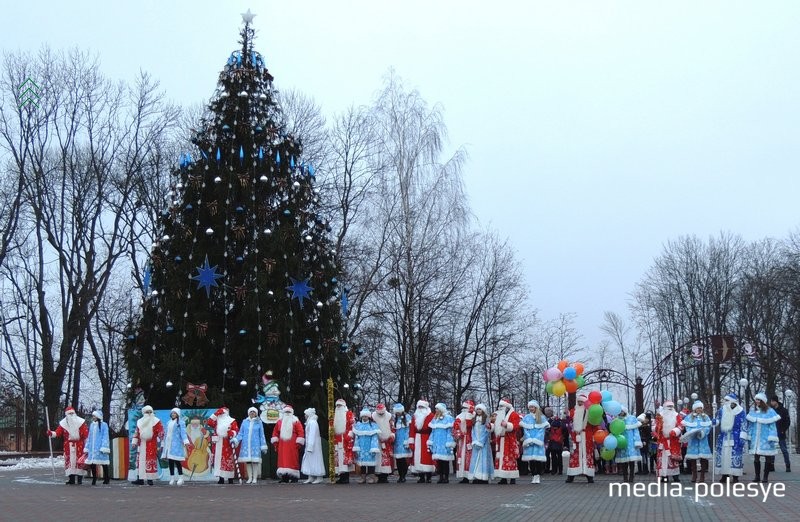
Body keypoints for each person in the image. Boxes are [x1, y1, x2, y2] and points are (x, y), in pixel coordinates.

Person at [742, 392, 781, 483]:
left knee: (768, 457)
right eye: (756, 400)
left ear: (763, 401)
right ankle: (757, 476)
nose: (757, 401)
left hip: (766, 438)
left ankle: (765, 477)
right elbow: (751, 426)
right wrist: (749, 435)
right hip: (756, 439)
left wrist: (772, 437)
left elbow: (772, 426)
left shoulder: (770, 412)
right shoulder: (753, 412)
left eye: (759, 400)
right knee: (756, 458)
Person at [48, 406, 89, 485]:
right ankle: (71, 479)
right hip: (68, 446)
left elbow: (86, 434)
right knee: (69, 461)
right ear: (66, 415)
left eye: (72, 413)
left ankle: (79, 479)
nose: (71, 415)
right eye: (69, 413)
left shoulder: (81, 422)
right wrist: (51, 433)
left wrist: (87, 444)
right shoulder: (63, 424)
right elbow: (58, 433)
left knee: (79, 461)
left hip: (79, 445)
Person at [713, 393, 747, 482]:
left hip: (735, 437)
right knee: (724, 455)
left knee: (735, 456)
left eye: (727, 400)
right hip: (724, 436)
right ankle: (725, 474)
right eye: (725, 400)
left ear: (732, 401)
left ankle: (735, 476)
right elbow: (718, 420)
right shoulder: (722, 410)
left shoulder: (740, 411)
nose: (725, 402)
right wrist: (714, 422)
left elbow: (744, 424)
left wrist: (743, 437)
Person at [566, 394, 597, 483]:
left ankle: (589, 475)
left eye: (582, 402)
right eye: (579, 401)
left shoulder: (590, 412)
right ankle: (571, 475)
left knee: (587, 456)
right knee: (574, 455)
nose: (580, 403)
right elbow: (569, 423)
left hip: (587, 436)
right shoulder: (573, 411)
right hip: (576, 436)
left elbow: (594, 424)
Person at [271, 404, 306, 482]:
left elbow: (300, 432)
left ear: (292, 412)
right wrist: (275, 442)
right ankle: (284, 477)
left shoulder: (296, 421)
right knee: (282, 460)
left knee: (293, 460)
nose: (287, 413)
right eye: (286, 411)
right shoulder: (279, 421)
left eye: (288, 411)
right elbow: (275, 432)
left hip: (292, 444)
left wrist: (299, 443)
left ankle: (294, 477)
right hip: (282, 444)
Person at [131, 405, 164, 485]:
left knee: (150, 461)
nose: (149, 414)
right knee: (141, 461)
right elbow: (137, 432)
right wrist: (134, 442)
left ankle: (150, 479)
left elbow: (161, 431)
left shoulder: (156, 421)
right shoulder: (139, 421)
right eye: (147, 412)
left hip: (151, 443)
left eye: (150, 412)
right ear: (143, 413)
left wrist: (161, 439)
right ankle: (140, 479)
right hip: (141, 443)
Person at [491, 398, 521, 484]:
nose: (500, 407)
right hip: (500, 440)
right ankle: (503, 477)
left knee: (510, 458)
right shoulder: (498, 415)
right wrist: (491, 427)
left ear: (507, 407)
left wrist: (507, 425)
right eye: (500, 406)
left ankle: (512, 477)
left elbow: (516, 426)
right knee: (501, 458)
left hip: (509, 439)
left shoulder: (514, 414)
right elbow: (496, 426)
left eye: (502, 406)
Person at [681, 401, 712, 483]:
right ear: (695, 408)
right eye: (698, 408)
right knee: (693, 458)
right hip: (693, 440)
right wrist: (693, 432)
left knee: (703, 458)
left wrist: (703, 433)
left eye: (701, 408)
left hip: (703, 440)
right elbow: (687, 427)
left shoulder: (705, 417)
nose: (699, 409)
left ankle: (702, 476)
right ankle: (694, 475)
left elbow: (708, 427)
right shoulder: (689, 417)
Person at [235, 407, 268, 484]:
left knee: (255, 461)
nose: (252, 413)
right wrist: (236, 439)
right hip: (246, 444)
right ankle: (250, 478)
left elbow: (262, 434)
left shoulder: (259, 422)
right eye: (251, 411)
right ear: (248, 413)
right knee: (248, 462)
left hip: (255, 444)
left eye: (254, 412)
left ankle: (255, 478)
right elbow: (241, 433)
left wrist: (263, 445)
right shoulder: (244, 422)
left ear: (256, 413)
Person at [207, 406, 239, 484]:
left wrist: (232, 433)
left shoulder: (232, 421)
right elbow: (209, 422)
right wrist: (216, 413)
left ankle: (230, 478)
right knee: (218, 460)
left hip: (227, 442)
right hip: (218, 443)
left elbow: (236, 430)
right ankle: (220, 478)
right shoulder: (217, 421)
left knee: (227, 460)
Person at [520, 400, 549, 484]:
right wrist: (529, 438)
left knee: (538, 460)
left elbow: (542, 430)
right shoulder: (526, 417)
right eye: (529, 407)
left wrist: (536, 439)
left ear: (536, 407)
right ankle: (533, 475)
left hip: (538, 442)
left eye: (532, 407)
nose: (531, 409)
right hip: (529, 442)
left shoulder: (542, 417)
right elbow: (525, 429)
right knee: (531, 460)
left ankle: (538, 476)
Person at [653, 401, 682, 483]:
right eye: (668, 406)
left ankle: (675, 476)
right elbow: (656, 428)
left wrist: (676, 431)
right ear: (665, 407)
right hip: (663, 441)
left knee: (673, 459)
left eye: (671, 406)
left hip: (673, 441)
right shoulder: (660, 415)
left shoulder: (677, 415)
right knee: (663, 459)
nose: (670, 408)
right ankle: (664, 476)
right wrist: (658, 430)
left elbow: (680, 425)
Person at [408, 399, 435, 483]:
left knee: (427, 456)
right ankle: (421, 476)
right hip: (417, 438)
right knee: (417, 457)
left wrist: (432, 440)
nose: (420, 408)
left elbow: (433, 429)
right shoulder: (414, 417)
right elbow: (412, 429)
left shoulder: (431, 416)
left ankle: (429, 476)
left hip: (427, 438)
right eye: (419, 407)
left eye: (422, 407)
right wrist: (411, 441)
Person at [161, 407, 190, 486]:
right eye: (172, 413)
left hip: (176, 444)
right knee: (170, 462)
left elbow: (183, 433)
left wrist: (186, 442)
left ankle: (181, 478)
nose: (173, 414)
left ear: (178, 414)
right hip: (168, 445)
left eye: (175, 413)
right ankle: (172, 478)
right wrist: (163, 443)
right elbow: (166, 434)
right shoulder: (168, 422)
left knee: (177, 461)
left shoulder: (181, 423)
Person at [429, 403, 456, 483]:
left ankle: (446, 477)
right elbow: (433, 432)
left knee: (445, 461)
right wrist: (431, 441)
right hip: (437, 443)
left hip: (444, 443)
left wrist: (449, 442)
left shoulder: (448, 418)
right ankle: (441, 477)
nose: (436, 410)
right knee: (439, 461)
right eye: (436, 409)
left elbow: (450, 432)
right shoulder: (435, 419)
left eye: (437, 409)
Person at [353, 408, 381, 484]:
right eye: (363, 416)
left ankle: (371, 477)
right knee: (362, 463)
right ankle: (363, 477)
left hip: (370, 447)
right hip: (361, 447)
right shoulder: (358, 425)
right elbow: (356, 438)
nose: (364, 418)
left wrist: (374, 448)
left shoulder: (373, 426)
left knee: (370, 462)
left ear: (368, 417)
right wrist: (357, 447)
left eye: (366, 416)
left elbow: (374, 438)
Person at [615, 407, 642, 483]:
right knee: (624, 461)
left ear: (625, 411)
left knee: (631, 461)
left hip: (631, 444)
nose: (621, 413)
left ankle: (631, 476)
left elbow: (636, 431)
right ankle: (625, 476)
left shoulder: (632, 418)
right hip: (622, 443)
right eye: (619, 412)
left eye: (622, 411)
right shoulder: (617, 420)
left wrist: (637, 441)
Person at [468, 404, 494, 484]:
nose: (478, 411)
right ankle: (476, 476)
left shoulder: (486, 419)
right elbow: (472, 431)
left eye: (480, 409)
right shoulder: (474, 419)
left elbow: (486, 432)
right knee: (476, 460)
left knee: (483, 460)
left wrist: (481, 441)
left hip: (484, 444)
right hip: (476, 442)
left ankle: (483, 477)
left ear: (483, 410)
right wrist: (475, 440)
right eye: (477, 409)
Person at [84, 410, 110, 486]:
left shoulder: (104, 425)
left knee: (103, 463)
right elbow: (89, 436)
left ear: (98, 417)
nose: (93, 417)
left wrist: (104, 446)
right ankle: (94, 478)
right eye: (93, 416)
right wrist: (87, 446)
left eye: (94, 416)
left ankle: (106, 478)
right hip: (92, 447)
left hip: (100, 447)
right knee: (92, 463)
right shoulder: (92, 425)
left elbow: (105, 436)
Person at [301, 407, 326, 484]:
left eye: (306, 414)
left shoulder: (312, 423)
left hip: (314, 445)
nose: (304, 416)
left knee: (316, 460)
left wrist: (310, 445)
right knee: (309, 460)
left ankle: (319, 476)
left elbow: (312, 435)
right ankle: (311, 476)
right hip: (310, 444)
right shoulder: (309, 422)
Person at [452, 400, 475, 483]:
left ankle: (470, 475)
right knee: (461, 457)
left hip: (470, 439)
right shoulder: (459, 416)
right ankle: (464, 476)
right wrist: (458, 433)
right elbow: (455, 427)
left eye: (466, 407)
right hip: (461, 440)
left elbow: (471, 426)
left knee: (469, 457)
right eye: (464, 407)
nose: (464, 409)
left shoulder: (473, 416)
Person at [333, 398, 355, 484]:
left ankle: (346, 477)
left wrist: (350, 435)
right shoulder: (335, 415)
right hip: (337, 439)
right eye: (337, 405)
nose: (338, 407)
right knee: (339, 459)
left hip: (346, 440)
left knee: (345, 459)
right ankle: (341, 476)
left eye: (340, 405)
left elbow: (353, 425)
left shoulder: (349, 414)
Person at [372, 403, 395, 483]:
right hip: (376, 441)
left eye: (382, 413)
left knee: (386, 458)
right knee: (377, 458)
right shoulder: (373, 417)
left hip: (387, 440)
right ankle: (378, 474)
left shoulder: (389, 417)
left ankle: (385, 476)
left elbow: (392, 427)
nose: (381, 414)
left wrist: (392, 435)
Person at [770, 395, 791, 472]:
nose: (771, 403)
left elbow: (787, 421)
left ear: (776, 401)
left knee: (784, 450)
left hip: (781, 433)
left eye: (772, 401)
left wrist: (783, 430)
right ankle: (771, 466)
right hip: (773, 433)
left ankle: (788, 465)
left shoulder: (784, 410)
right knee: (772, 450)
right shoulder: (771, 410)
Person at [392, 403, 412, 483]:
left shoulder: (407, 417)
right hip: (397, 441)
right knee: (398, 460)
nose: (397, 413)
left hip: (404, 441)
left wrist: (407, 440)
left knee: (404, 459)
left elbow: (408, 430)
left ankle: (403, 475)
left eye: (398, 412)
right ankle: (400, 476)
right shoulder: (395, 419)